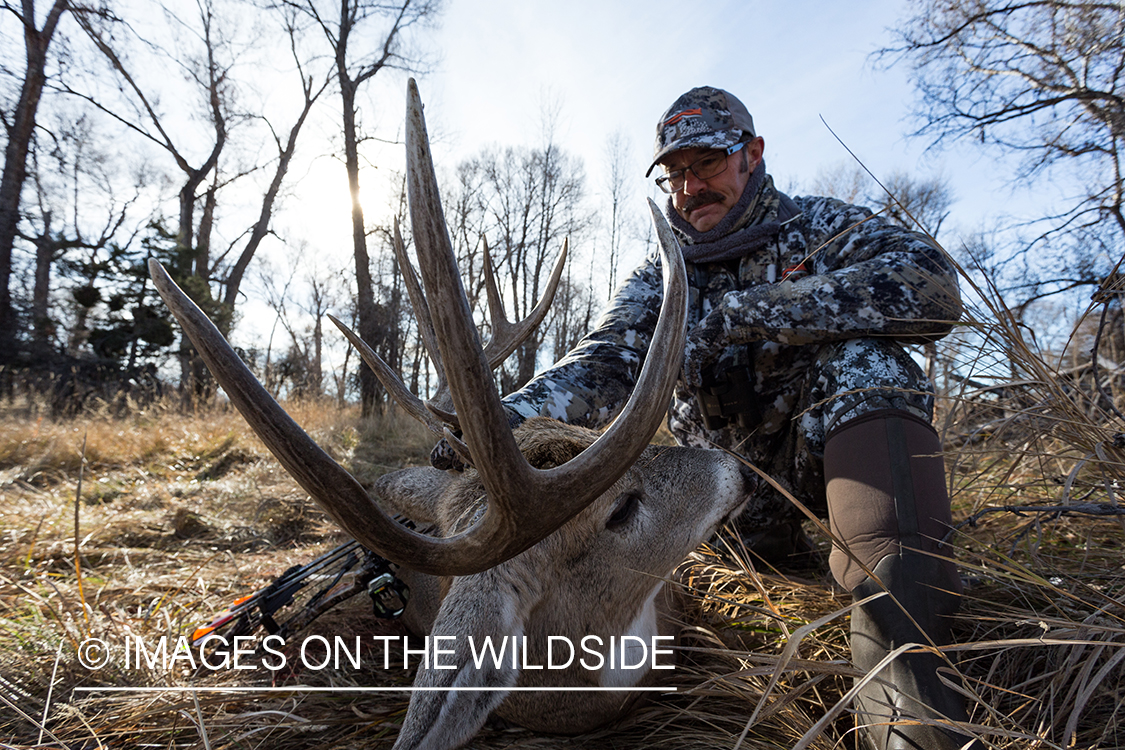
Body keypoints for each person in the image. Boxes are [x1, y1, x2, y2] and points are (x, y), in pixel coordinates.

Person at [432, 86, 976, 750]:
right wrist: (499, 423)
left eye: (708, 163)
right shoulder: (659, 279)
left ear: (752, 154)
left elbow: (930, 285)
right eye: (675, 173)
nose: (690, 187)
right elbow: (604, 363)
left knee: (871, 362)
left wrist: (747, 314)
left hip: (824, 487)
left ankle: (902, 661)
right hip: (710, 512)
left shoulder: (823, 228)